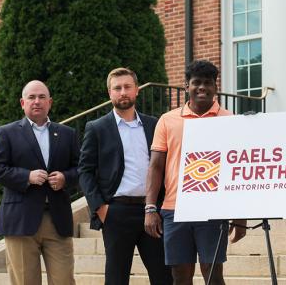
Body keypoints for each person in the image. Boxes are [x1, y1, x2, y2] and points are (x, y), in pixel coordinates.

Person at [144, 60, 247, 285]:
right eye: (196, 82)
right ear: (186, 86)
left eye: (208, 83)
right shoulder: (167, 120)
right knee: (180, 275)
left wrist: (241, 217)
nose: (202, 88)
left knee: (213, 273)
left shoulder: (230, 120)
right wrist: (150, 207)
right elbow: (156, 167)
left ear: (215, 87)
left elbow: (238, 168)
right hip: (174, 209)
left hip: (213, 209)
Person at [78, 68, 172, 285]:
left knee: (164, 276)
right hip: (116, 212)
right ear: (110, 93)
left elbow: (165, 165)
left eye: (127, 87)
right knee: (117, 277)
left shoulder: (154, 124)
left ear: (137, 90)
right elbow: (85, 170)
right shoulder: (97, 128)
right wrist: (100, 208)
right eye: (117, 88)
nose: (123, 92)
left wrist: (161, 204)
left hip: (152, 210)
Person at [0, 80, 78, 285]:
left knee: (64, 280)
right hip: (20, 221)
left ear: (50, 102)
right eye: (31, 97)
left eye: (41, 97)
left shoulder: (67, 133)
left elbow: (81, 169)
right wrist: (26, 177)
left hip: (57, 219)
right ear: (22, 103)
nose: (36, 101)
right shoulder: (8, 132)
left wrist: (66, 178)